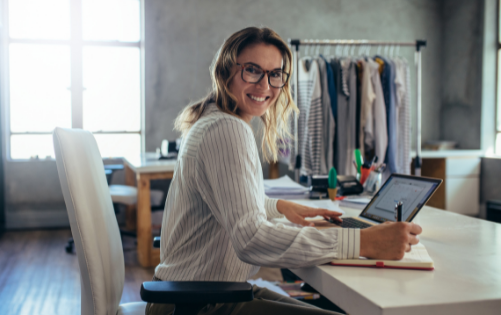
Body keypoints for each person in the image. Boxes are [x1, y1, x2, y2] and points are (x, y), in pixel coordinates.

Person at [147, 27, 422, 315]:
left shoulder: (214, 119)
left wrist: (278, 207)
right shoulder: (226, 129)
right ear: (226, 70)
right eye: (252, 70)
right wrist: (365, 241)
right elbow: (251, 239)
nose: (265, 85)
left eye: (274, 74)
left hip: (199, 293)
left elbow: (227, 204)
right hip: (198, 304)